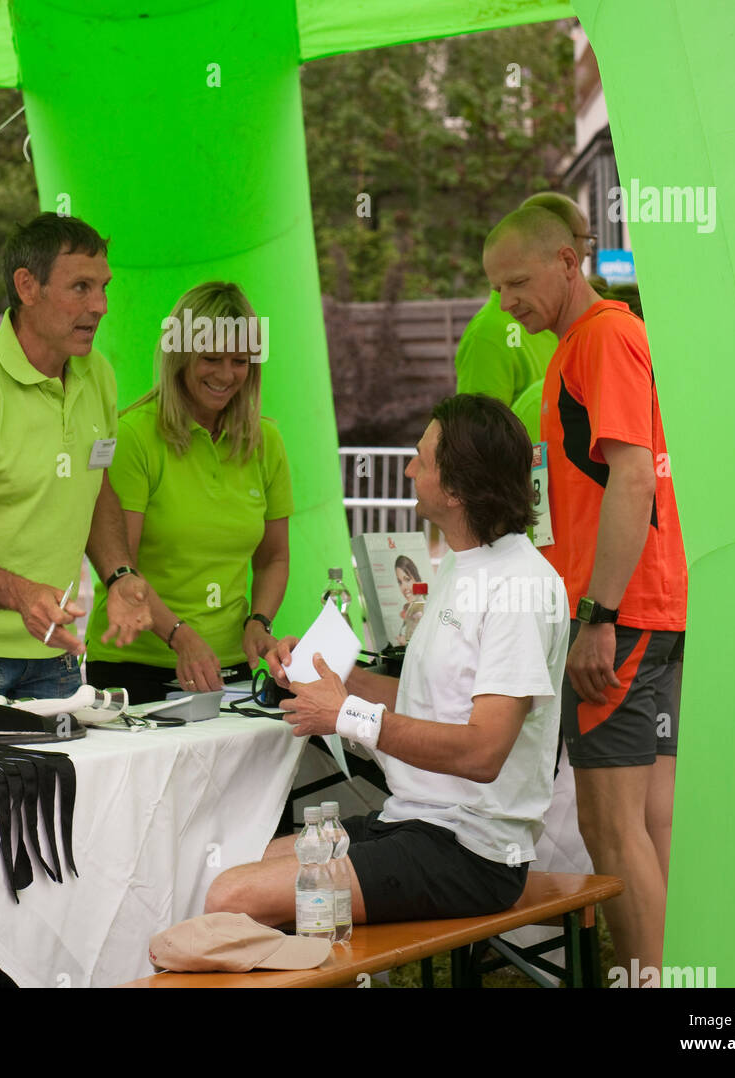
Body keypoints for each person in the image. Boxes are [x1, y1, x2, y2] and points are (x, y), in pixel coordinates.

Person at [205, 394, 568, 927]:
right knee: (238, 865)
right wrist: (326, 676)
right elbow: (426, 704)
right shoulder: (464, 564)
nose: (406, 468)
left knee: (230, 895)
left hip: (473, 851)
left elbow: (483, 752)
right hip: (416, 822)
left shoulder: (520, 585)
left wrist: (345, 714)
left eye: (421, 458)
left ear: (456, 487)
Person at [482, 205, 687, 984]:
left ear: (568, 263)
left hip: (623, 614)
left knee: (611, 827)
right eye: (498, 289)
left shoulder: (599, 336)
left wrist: (596, 616)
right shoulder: (603, 337)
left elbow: (632, 476)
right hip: (655, 606)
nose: (507, 303)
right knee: (651, 820)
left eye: (519, 282)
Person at [0, 212, 154, 717]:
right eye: (80, 287)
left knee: (56, 799)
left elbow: (96, 487)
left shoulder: (97, 375)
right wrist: (19, 595)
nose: (100, 306)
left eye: (103, 287)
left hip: (54, 656)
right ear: (26, 286)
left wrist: (121, 574)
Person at [83, 282, 292, 704]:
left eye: (239, 361)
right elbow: (122, 565)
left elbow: (274, 558)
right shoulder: (134, 436)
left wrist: (259, 622)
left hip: (229, 669)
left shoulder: (266, 441)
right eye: (210, 358)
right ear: (179, 358)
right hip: (134, 669)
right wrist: (179, 635)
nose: (225, 374)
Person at [455, 192, 595, 404]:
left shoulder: (567, 321)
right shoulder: (488, 333)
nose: (589, 251)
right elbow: (476, 434)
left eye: (518, 283)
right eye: (586, 239)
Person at [392, 552, 425, 647]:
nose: (404, 587)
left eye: (407, 579)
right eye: (400, 582)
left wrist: (405, 642)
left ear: (416, 578)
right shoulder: (412, 606)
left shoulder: (420, 608)